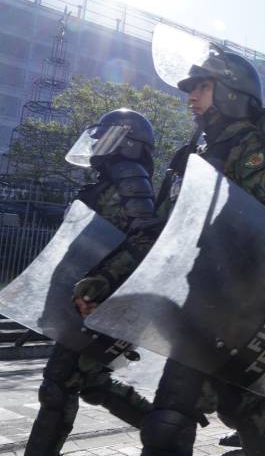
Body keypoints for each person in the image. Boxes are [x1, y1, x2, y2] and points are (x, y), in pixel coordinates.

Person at [72, 48, 265, 456]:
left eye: (203, 87)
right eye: (191, 88)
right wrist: (106, 279)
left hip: (239, 305)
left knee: (171, 419)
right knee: (235, 402)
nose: (191, 97)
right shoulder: (190, 156)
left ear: (232, 91)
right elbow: (157, 233)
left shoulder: (255, 148)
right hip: (198, 302)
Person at [25, 108, 156, 456]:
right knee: (91, 383)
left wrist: (103, 282)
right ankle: (165, 428)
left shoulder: (131, 178)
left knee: (58, 386)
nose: (97, 142)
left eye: (106, 136)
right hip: (87, 302)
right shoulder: (108, 182)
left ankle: (167, 430)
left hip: (103, 302)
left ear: (128, 143)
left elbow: (142, 240)